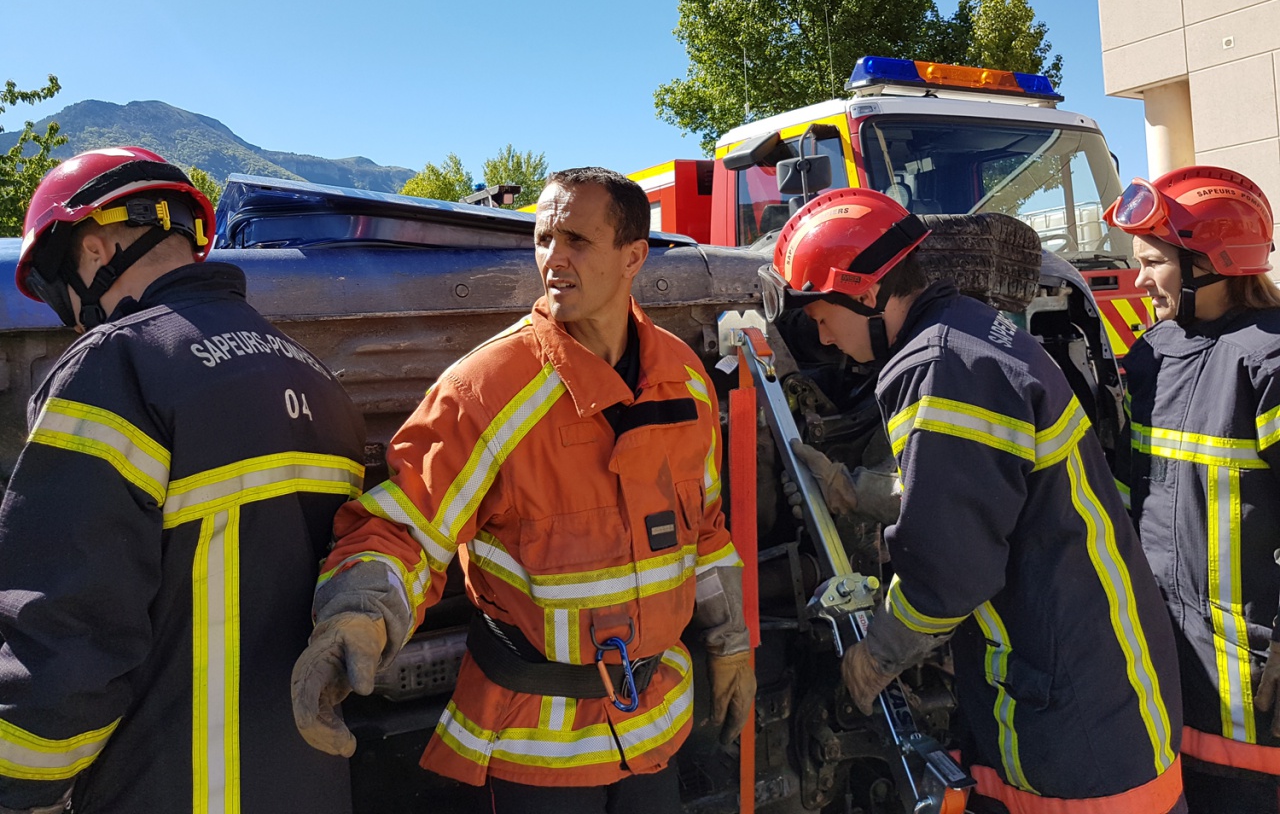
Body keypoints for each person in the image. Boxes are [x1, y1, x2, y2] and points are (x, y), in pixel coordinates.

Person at [290, 167, 752, 812]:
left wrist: (732, 644)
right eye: (542, 240)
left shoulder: (684, 378)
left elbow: (703, 532)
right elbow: (405, 527)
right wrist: (357, 615)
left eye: (577, 241)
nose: (553, 260)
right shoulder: (485, 390)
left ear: (633, 257)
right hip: (536, 750)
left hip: (654, 727)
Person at [763, 188, 1186, 813]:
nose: (822, 338)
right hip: (1090, 673)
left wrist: (876, 656)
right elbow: (975, 484)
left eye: (823, 316)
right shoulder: (964, 330)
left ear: (869, 293)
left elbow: (947, 567)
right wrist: (853, 489)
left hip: (1076, 710)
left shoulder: (941, 365)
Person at [0, 147, 366, 813]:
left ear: (94, 249)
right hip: (310, 785)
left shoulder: (115, 367)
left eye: (58, 293)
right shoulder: (314, 377)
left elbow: (67, 632)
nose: (73, 319)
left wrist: (18, 785)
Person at [1104, 166, 1280, 812]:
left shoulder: (1268, 361)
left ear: (1213, 263)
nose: (1139, 280)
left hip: (1256, 682)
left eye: (1153, 262)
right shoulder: (1151, 354)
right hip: (1172, 664)